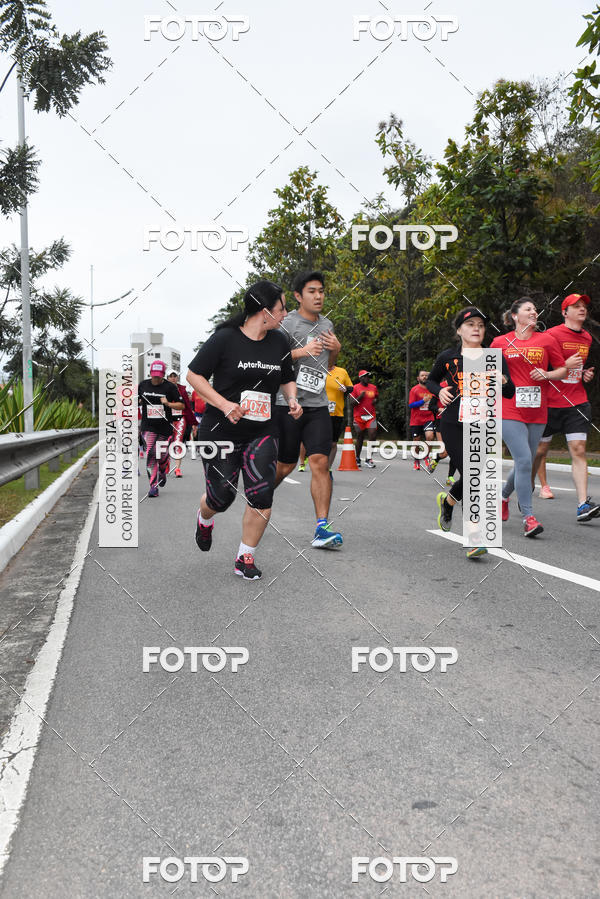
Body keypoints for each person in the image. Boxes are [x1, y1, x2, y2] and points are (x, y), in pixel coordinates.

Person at [186, 280, 300, 580]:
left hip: (262, 430)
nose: (286, 313)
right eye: (282, 308)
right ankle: (204, 518)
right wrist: (224, 404)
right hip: (221, 430)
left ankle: (244, 557)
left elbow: (287, 377)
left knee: (261, 495)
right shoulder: (224, 339)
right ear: (265, 312)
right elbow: (193, 376)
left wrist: (292, 399)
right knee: (221, 498)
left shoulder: (279, 342)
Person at [427, 307, 515, 558]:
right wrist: (439, 391)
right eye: (470, 324)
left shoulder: (494, 357)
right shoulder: (448, 357)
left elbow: (509, 392)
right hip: (454, 424)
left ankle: (448, 501)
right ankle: (475, 537)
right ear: (459, 330)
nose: (476, 328)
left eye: (481, 325)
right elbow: (432, 380)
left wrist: (503, 380)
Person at [490, 297, 574, 537]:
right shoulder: (499, 342)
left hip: (537, 409)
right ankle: (528, 517)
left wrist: (547, 374)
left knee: (524, 461)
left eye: (535, 309)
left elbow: (562, 370)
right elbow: (486, 370)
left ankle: (503, 497)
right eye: (529, 309)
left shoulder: (547, 340)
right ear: (515, 316)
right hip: (508, 407)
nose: (534, 312)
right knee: (525, 460)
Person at [274, 270, 343, 549]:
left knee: (320, 463)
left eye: (322, 291)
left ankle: (322, 527)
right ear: (298, 296)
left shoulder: (327, 324)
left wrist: (336, 348)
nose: (318, 296)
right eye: (312, 291)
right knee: (287, 465)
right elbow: (272, 360)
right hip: (287, 405)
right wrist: (301, 352)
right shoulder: (286, 324)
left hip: (316, 405)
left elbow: (327, 366)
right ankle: (260, 494)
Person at [532, 293, 600, 522]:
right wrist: (562, 367)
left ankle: (582, 504)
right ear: (564, 312)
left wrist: (583, 374)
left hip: (576, 401)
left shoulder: (587, 338)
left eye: (584, 307)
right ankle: (526, 486)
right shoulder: (551, 335)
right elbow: (540, 367)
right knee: (539, 451)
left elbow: (573, 369)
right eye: (576, 306)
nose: (582, 309)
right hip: (549, 402)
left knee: (579, 450)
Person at [138, 360, 184, 497]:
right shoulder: (143, 385)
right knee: (151, 453)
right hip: (148, 426)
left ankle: (163, 470)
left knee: (162, 457)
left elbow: (181, 406)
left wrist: (168, 403)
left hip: (165, 427)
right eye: (154, 375)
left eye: (159, 376)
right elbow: (136, 401)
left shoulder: (170, 387)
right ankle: (153, 486)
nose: (156, 378)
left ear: (163, 375)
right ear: (150, 373)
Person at [166, 370, 197, 478]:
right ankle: (166, 463)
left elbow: (188, 407)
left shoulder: (182, 389)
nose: (173, 378)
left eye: (175, 376)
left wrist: (193, 422)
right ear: (167, 377)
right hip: (167, 418)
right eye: (171, 376)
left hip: (180, 418)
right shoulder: (163, 388)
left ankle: (178, 468)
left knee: (178, 442)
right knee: (167, 442)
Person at [326, 363, 353, 472]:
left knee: (333, 443)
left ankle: (328, 469)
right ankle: (320, 468)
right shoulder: (318, 369)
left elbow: (351, 388)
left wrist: (345, 388)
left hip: (336, 412)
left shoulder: (342, 371)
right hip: (319, 412)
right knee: (322, 442)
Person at [407, 370, 437, 473]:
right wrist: (422, 401)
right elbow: (410, 405)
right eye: (422, 375)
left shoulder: (432, 389)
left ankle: (426, 456)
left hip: (429, 418)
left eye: (426, 376)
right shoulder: (414, 390)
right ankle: (416, 460)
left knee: (430, 436)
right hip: (416, 419)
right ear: (418, 378)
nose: (424, 377)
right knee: (417, 441)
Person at [349, 370, 378, 468]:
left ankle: (369, 458)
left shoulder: (373, 387)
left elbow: (377, 397)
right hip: (359, 417)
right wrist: (361, 396)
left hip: (371, 416)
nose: (367, 378)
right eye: (365, 376)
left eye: (368, 376)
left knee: (373, 435)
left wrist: (375, 401)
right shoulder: (355, 388)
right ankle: (357, 457)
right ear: (360, 378)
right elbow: (352, 403)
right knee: (360, 436)